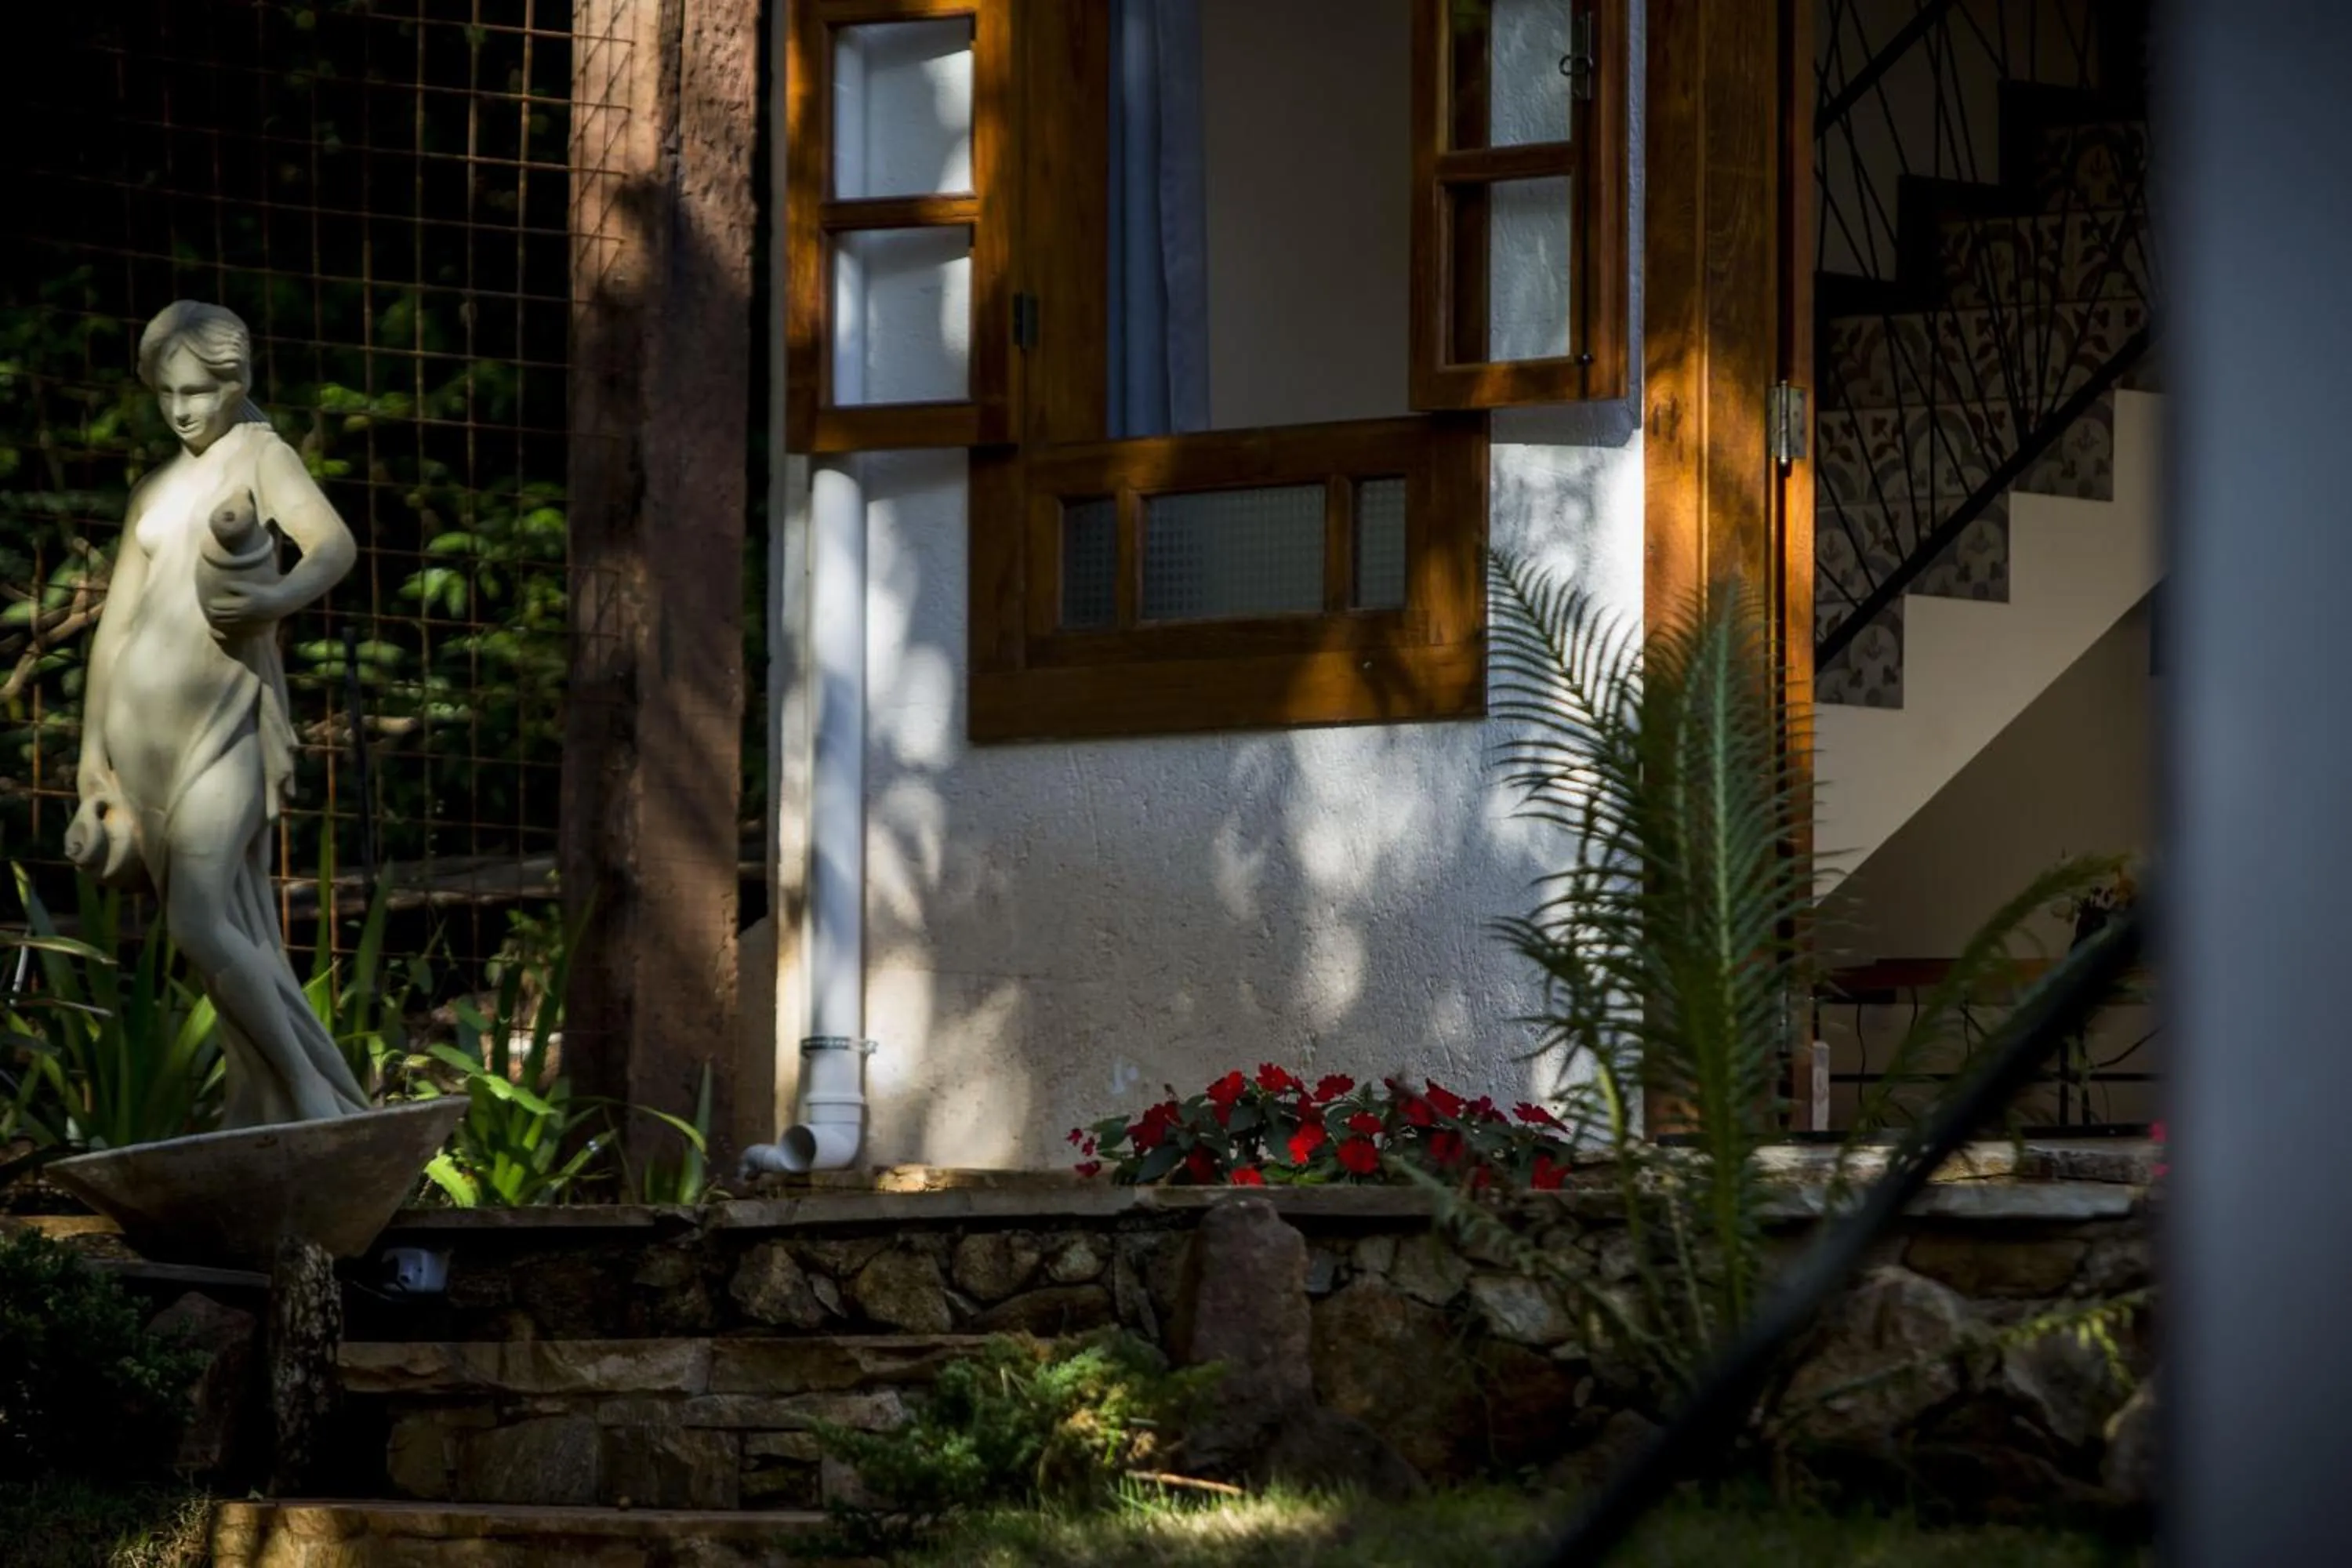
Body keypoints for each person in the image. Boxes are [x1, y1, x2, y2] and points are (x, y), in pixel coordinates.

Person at [69, 299, 371, 1128]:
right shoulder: (155, 489)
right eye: (167, 392)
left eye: (199, 390)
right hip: (141, 738)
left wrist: (273, 599)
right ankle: (274, 1098)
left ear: (236, 383)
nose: (182, 409)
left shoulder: (259, 456)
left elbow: (335, 545)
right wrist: (92, 755)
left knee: (205, 916)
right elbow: (116, 628)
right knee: (221, 926)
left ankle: (310, 1094)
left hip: (225, 722)